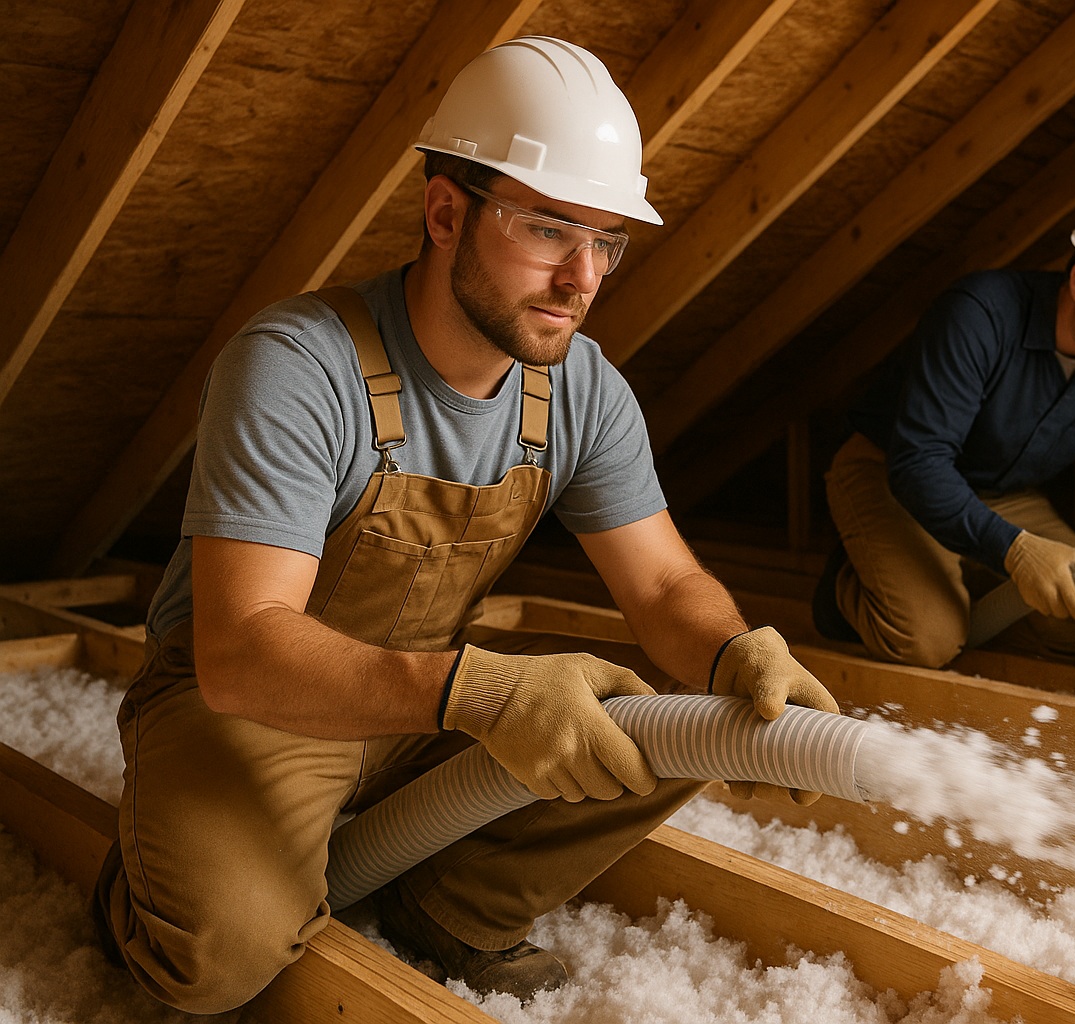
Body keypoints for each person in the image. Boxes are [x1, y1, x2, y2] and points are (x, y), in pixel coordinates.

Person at [91, 36, 838, 1013]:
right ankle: (141, 885)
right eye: (548, 231)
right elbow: (239, 652)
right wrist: (480, 689)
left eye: (606, 240)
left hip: (433, 700)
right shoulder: (297, 363)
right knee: (220, 960)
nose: (582, 277)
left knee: (690, 718)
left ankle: (452, 902)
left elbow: (661, 586)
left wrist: (739, 654)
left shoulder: (581, 388)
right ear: (446, 212)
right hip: (252, 708)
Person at [814, 191, 1075, 674]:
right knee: (928, 641)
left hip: (1001, 491)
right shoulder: (978, 315)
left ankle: (950, 580)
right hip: (892, 471)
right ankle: (854, 582)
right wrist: (1015, 550)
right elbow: (919, 463)